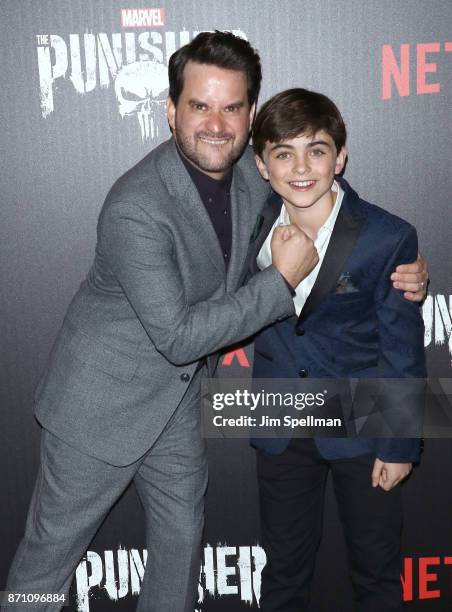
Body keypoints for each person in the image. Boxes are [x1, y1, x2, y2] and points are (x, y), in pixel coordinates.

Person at [3, 33, 426, 611]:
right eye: (200, 105)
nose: (217, 123)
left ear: (251, 117)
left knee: (179, 549)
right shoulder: (136, 206)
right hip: (97, 407)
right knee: (46, 562)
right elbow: (177, 336)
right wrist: (280, 283)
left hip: (178, 404)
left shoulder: (257, 178)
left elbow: (338, 210)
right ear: (171, 109)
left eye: (232, 107)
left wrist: (404, 269)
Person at [250, 88, 427, 612]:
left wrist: (399, 445)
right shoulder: (246, 228)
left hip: (365, 426)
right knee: (283, 575)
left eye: (317, 150)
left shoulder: (387, 236)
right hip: (279, 422)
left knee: (376, 574)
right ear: (262, 166)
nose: (301, 167)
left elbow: (402, 348)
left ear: (340, 157)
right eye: (284, 153)